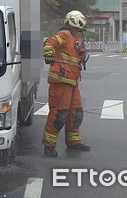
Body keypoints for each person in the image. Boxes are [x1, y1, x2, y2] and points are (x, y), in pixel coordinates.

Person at [41, 10, 90, 157]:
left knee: (76, 114)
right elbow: (50, 42)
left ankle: (73, 141)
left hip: (72, 81)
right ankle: (49, 145)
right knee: (59, 114)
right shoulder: (64, 34)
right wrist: (48, 54)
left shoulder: (76, 37)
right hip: (61, 81)